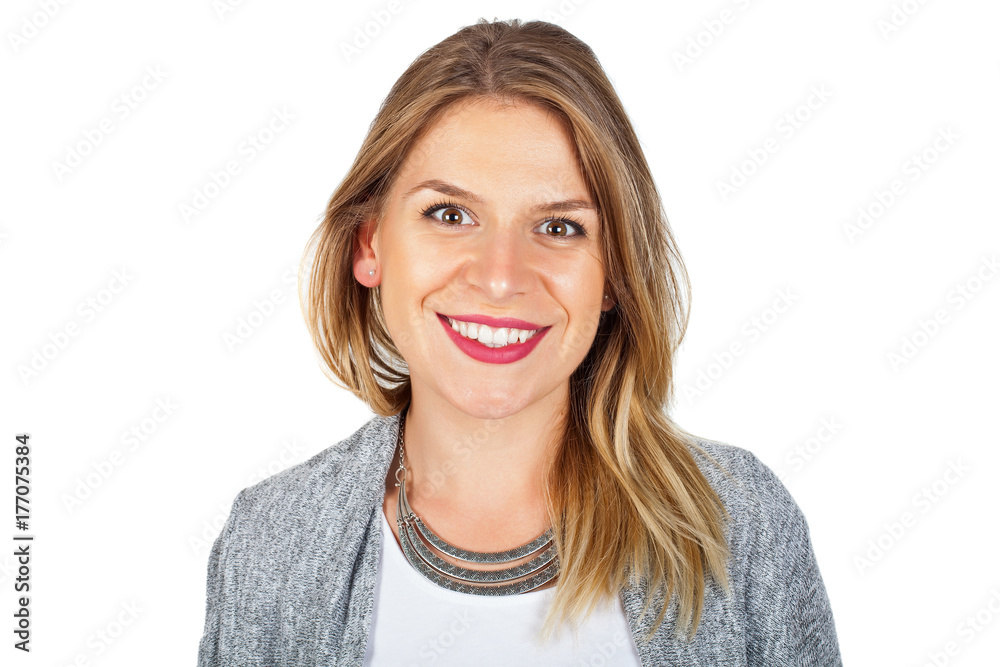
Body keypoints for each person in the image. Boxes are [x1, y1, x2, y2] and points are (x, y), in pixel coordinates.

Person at [196, 18, 842, 666]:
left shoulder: (739, 525)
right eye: (449, 215)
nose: (501, 276)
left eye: (559, 226)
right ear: (370, 246)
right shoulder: (270, 542)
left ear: (613, 270)